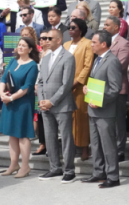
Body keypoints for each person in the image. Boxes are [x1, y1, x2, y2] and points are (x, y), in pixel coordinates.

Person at [82, 31, 122, 188]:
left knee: (108, 144)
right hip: (93, 108)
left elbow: (115, 87)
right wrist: (87, 89)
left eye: (94, 42)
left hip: (105, 110)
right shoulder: (97, 59)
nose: (91, 45)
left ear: (103, 44)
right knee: (96, 144)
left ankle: (113, 176)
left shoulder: (112, 61)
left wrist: (101, 101)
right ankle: (99, 172)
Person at [37, 29, 77, 183]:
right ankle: (54, 168)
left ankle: (69, 170)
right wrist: (41, 100)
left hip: (62, 105)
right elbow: (40, 82)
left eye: (49, 38)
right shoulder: (46, 58)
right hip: (45, 106)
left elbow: (66, 84)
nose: (46, 40)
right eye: (45, 38)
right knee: (50, 137)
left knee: (66, 138)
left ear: (59, 40)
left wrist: (51, 101)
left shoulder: (68, 57)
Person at [0, 37, 39, 178]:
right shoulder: (12, 61)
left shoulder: (32, 65)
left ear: (30, 49)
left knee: (22, 135)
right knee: (12, 134)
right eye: (19, 45)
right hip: (9, 101)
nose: (20, 47)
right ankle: (13, 164)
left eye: (24, 45)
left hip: (22, 103)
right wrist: (1, 94)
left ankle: (25, 166)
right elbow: (3, 79)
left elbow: (27, 87)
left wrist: (10, 97)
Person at [63, 19, 93, 161]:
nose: (70, 30)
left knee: (81, 116)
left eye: (73, 27)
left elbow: (87, 66)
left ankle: (85, 147)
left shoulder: (87, 44)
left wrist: (75, 83)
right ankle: (71, 146)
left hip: (80, 87)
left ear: (80, 30)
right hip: (65, 86)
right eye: (69, 27)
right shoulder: (66, 44)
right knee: (69, 118)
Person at [103, 16, 129, 162]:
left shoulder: (123, 43)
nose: (104, 27)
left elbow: (121, 65)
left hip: (118, 88)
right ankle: (108, 148)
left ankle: (120, 150)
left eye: (107, 25)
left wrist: (103, 71)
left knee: (119, 121)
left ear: (116, 27)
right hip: (103, 87)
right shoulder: (103, 43)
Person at [32, 29, 51, 156]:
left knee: (48, 120)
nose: (42, 40)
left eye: (45, 38)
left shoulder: (52, 54)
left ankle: (50, 146)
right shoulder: (40, 53)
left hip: (48, 89)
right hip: (38, 88)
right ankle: (42, 144)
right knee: (40, 118)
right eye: (41, 38)